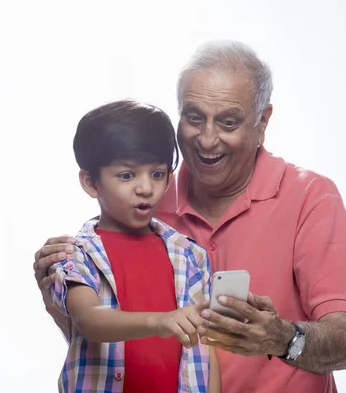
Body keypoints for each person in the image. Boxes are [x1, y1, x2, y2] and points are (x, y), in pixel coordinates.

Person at [34, 40, 346, 393]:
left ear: (263, 121)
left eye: (228, 122)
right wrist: (59, 300)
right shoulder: (144, 206)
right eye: (194, 117)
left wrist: (283, 338)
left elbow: (344, 344)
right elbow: (106, 341)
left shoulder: (310, 196)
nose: (208, 140)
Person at [47, 99, 220, 393]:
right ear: (90, 182)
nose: (146, 187)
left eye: (157, 173)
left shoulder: (190, 255)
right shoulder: (76, 255)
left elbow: (206, 348)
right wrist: (159, 322)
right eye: (127, 175)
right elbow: (88, 319)